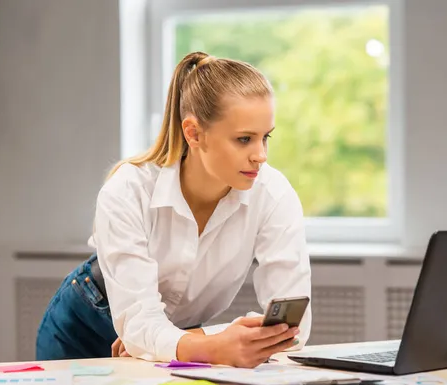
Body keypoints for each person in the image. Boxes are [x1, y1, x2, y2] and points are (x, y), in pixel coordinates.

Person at [35, 51, 312, 368]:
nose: (260, 155)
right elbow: (137, 324)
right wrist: (205, 344)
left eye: (266, 137)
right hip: (84, 330)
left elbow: (295, 327)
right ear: (194, 133)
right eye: (244, 139)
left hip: (177, 339)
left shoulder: (274, 195)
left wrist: (200, 340)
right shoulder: (127, 190)